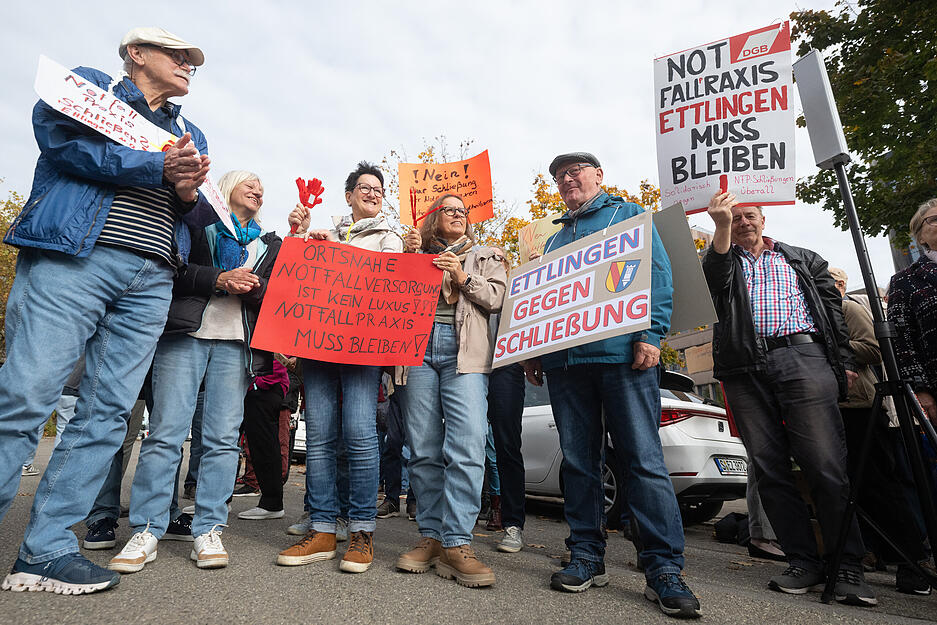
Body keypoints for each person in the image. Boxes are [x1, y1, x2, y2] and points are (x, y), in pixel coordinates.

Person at [0, 26, 213, 595]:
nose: (189, 64)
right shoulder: (94, 89)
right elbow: (60, 142)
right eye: (177, 55)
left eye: (192, 60)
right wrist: (155, 169)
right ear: (136, 54)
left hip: (151, 281)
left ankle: (44, 551)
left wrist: (189, 194)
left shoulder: (189, 131)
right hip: (78, 259)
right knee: (26, 397)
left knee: (107, 414)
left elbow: (195, 221)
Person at [520, 153, 699, 618]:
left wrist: (652, 332)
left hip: (623, 358)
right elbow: (545, 301)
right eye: (560, 174)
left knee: (642, 459)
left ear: (599, 176)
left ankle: (662, 568)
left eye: (577, 170)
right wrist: (536, 348)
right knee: (579, 462)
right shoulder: (556, 237)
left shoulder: (630, 215)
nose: (567, 177)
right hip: (565, 365)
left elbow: (658, 274)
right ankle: (585, 555)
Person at [702, 190, 875, 607]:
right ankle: (802, 561)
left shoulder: (802, 258)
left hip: (803, 356)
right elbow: (713, 281)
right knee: (769, 468)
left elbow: (832, 314)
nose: (743, 222)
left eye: (749, 216)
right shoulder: (721, 258)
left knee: (826, 465)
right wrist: (719, 225)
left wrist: (844, 362)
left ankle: (847, 564)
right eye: (734, 217)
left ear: (764, 219)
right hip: (745, 368)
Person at [109, 170, 281, 573]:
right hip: (184, 336)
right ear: (226, 187)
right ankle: (147, 529)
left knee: (222, 439)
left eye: (261, 185)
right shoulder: (195, 224)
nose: (258, 189)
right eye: (249, 182)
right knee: (166, 433)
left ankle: (208, 529)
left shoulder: (268, 242)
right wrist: (219, 279)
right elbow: (172, 269)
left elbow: (276, 292)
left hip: (235, 345)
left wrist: (252, 286)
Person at [277, 161, 420, 574]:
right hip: (320, 347)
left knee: (359, 435)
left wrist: (411, 253)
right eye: (364, 187)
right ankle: (323, 527)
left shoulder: (392, 238)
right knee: (321, 437)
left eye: (378, 188)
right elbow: (299, 280)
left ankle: (361, 530)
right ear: (349, 195)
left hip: (364, 350)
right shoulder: (326, 232)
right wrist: (302, 237)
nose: (372, 193)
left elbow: (396, 284)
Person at [392, 193, 506, 588]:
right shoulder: (415, 250)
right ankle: (431, 537)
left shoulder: (487, 254)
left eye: (463, 211)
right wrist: (405, 260)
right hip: (417, 349)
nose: (457, 215)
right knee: (422, 447)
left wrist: (462, 276)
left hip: (466, 354)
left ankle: (457, 541)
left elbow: (497, 298)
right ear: (433, 219)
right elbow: (390, 299)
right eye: (449, 210)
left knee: (468, 444)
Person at [830, 267, 931, 595]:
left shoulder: (847, 308)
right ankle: (878, 553)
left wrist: (832, 349)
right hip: (828, 408)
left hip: (860, 406)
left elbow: (873, 347)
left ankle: (913, 561)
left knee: (881, 485)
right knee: (849, 487)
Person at [888, 198, 937, 427]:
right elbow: (902, 339)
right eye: (934, 220)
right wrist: (921, 389)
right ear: (921, 237)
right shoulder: (905, 280)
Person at [237, 357, 291, 520]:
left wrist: (257, 383)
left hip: (265, 384)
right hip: (252, 381)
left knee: (263, 443)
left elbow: (281, 354)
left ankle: (272, 503)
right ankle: (218, 500)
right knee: (228, 441)